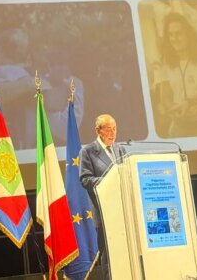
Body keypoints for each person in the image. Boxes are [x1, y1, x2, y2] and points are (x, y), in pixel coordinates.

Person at [155, 13, 197, 137]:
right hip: (178, 129)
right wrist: (174, 110)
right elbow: (165, 98)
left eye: (178, 33)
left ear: (188, 35)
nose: (174, 38)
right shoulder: (166, 65)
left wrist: (195, 110)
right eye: (170, 35)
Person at [78, 114, 118, 275]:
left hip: (122, 211)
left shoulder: (120, 149)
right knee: (108, 255)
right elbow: (85, 179)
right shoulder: (88, 151)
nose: (113, 133)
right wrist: (109, 180)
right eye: (108, 129)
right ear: (98, 131)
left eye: (114, 129)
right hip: (103, 212)